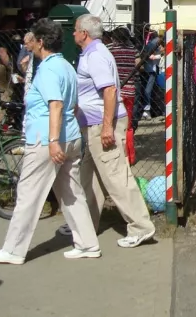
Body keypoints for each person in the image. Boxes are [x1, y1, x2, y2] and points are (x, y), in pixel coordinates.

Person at [0, 18, 100, 265]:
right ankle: (88, 244)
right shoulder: (67, 66)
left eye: (34, 41)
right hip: (70, 138)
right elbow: (72, 103)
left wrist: (52, 141)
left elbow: (56, 104)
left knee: (29, 193)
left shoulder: (48, 69)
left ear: (41, 42)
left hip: (48, 141)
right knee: (71, 193)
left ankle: (14, 250)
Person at [69, 15, 155, 247]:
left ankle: (140, 227)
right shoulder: (95, 52)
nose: (73, 33)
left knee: (116, 177)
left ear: (84, 33)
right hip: (95, 125)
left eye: (76, 30)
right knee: (90, 177)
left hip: (101, 125)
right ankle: (85, 224)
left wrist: (107, 127)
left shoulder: (95, 55)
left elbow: (109, 91)